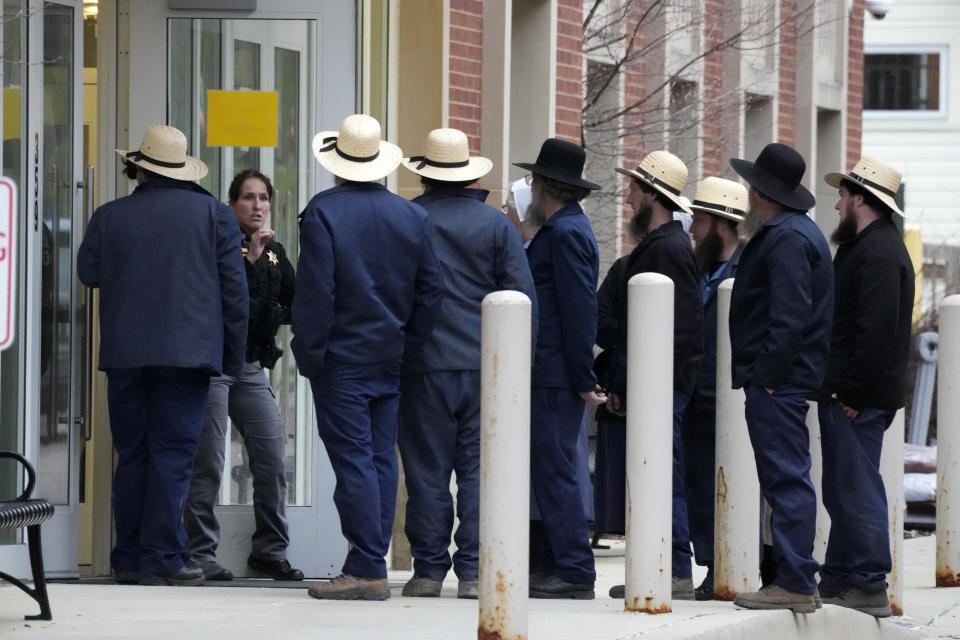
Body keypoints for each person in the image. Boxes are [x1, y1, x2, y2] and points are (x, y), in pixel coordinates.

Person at [77, 125, 248, 586]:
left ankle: (129, 557)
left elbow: (88, 272)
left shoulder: (110, 215)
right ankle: (163, 558)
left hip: (126, 352)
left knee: (133, 454)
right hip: (189, 354)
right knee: (172, 455)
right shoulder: (215, 215)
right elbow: (236, 295)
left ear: (138, 170)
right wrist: (232, 359)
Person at [292, 114, 444, 601]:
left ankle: (365, 565)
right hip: (389, 356)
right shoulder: (412, 216)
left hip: (341, 358)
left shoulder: (324, 212)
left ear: (337, 166)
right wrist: (409, 345)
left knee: (354, 461)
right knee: (380, 460)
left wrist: (309, 355)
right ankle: (370, 560)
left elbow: (316, 294)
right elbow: (431, 292)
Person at [396, 128, 537, 600]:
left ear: (426, 177)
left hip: (424, 363)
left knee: (427, 472)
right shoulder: (495, 225)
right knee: (479, 472)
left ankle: (428, 570)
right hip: (486, 367)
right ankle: (474, 571)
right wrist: (523, 369)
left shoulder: (409, 218)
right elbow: (522, 297)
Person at [728, 143, 834, 614]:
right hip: (783, 379)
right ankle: (793, 577)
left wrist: (768, 377)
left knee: (786, 478)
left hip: (779, 382)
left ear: (758, 191)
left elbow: (789, 317)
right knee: (786, 477)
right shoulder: (794, 232)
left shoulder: (787, 238)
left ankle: (793, 579)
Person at [184, 169, 303, 582]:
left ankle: (270, 550)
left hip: (250, 366)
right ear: (232, 204)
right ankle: (199, 553)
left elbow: (293, 300)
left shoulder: (275, 252)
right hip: (214, 365)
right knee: (209, 462)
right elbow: (223, 302)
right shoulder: (219, 247)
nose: (257, 206)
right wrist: (249, 257)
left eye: (263, 198)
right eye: (248, 198)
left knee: (271, 457)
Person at [816, 157, 914, 618]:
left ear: (860, 199)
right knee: (843, 486)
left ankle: (870, 581)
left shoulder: (876, 252)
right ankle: (840, 576)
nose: (836, 204)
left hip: (857, 398)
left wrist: (851, 392)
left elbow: (874, 332)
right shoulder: (871, 246)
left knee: (854, 487)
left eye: (842, 195)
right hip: (855, 394)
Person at [604, 150, 703, 601]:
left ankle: (673, 568)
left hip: (661, 387)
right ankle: (661, 567)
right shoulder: (664, 246)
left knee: (663, 476)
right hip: (655, 385)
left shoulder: (668, 249)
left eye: (632, 188)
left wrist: (638, 386)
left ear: (649, 194)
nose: (626, 198)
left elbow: (677, 329)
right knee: (654, 475)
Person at [514, 138, 605, 600]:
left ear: (543, 185)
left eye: (531, 181)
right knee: (551, 469)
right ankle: (559, 563)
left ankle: (573, 569)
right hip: (549, 370)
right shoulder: (564, 229)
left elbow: (577, 310)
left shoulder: (566, 233)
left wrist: (582, 377)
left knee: (556, 470)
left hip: (552, 373)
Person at [683, 177, 748, 600]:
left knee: (731, 486)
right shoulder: (699, 268)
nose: (691, 228)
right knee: (701, 490)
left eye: (700, 220)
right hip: (697, 395)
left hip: (729, 397)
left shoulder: (743, 269)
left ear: (722, 224)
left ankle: (733, 563)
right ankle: (710, 564)